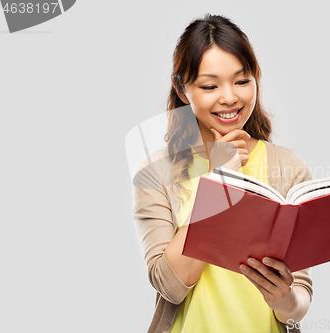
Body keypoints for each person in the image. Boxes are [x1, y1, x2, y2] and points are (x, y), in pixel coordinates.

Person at [132, 14, 314, 333]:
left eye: (242, 81)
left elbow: (297, 303)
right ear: (182, 88)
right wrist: (221, 184)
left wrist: (286, 301)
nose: (230, 97)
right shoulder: (155, 173)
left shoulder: (289, 167)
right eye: (210, 85)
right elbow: (170, 285)